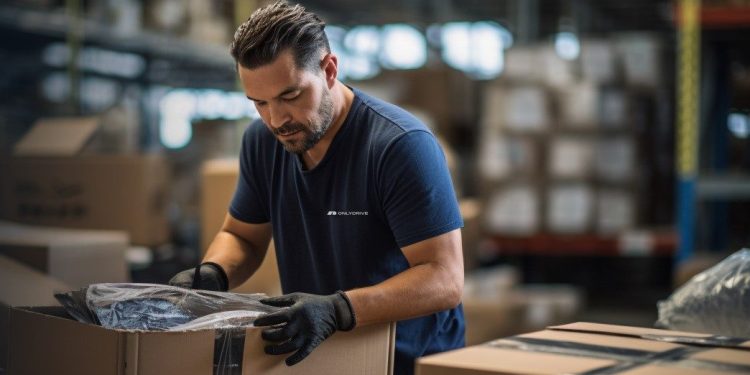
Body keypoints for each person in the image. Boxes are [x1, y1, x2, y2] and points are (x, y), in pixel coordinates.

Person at [169, 1, 465, 373]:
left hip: (406, 361)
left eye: (290, 96)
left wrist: (338, 309)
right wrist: (215, 272)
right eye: (259, 103)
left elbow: (444, 278)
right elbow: (242, 236)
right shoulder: (262, 143)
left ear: (328, 69)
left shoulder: (399, 146)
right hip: (321, 357)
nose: (276, 120)